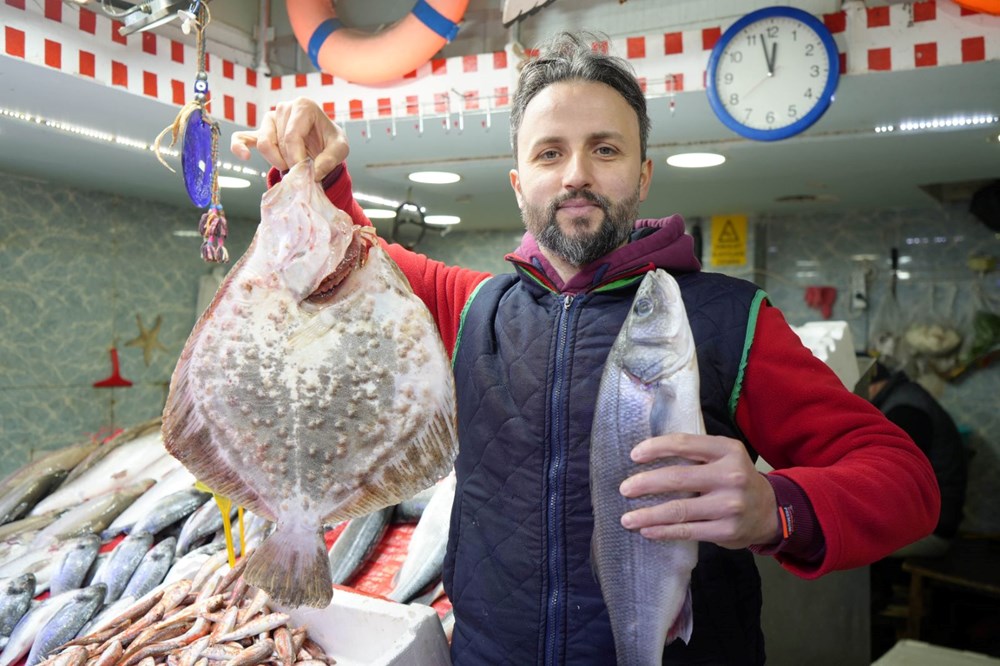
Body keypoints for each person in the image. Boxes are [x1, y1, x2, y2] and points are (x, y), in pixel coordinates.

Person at [232, 31, 939, 665]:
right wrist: (316, 172)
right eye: (549, 152)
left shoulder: (729, 318)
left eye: (605, 148)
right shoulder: (473, 304)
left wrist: (775, 506)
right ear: (519, 186)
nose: (576, 173)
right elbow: (353, 255)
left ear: (642, 175)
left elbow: (907, 481)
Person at [867, 361, 966, 556]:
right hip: (932, 518)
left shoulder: (905, 412)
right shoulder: (905, 396)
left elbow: (892, 485)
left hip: (934, 529)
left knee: (847, 547)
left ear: (874, 384)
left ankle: (882, 586)